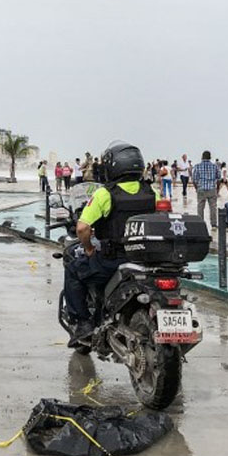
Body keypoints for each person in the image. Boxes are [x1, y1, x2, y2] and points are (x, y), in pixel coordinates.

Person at [63, 141, 158, 347]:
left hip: (113, 260)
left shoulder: (105, 194)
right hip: (146, 261)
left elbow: (82, 228)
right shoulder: (152, 193)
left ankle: (83, 324)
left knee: (73, 270)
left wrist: (89, 249)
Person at [191, 150, 221, 228]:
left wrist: (196, 188)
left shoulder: (197, 166)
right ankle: (213, 224)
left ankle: (200, 223)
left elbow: (194, 180)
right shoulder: (215, 166)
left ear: (202, 157)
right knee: (213, 207)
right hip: (212, 189)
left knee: (200, 207)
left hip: (201, 188)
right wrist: (217, 189)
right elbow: (219, 179)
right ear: (210, 157)